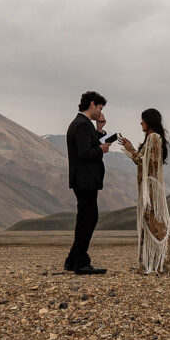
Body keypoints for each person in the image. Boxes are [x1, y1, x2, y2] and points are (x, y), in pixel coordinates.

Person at [119, 108, 170, 275]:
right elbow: (145, 161)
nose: (140, 123)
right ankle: (154, 262)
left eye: (143, 120)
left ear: (149, 121)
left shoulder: (153, 138)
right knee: (152, 223)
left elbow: (142, 162)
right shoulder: (155, 138)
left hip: (150, 188)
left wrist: (130, 149)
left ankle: (160, 262)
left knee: (154, 224)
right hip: (150, 186)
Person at [64, 91, 111, 275]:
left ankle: (72, 260)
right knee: (87, 219)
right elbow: (85, 153)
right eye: (100, 108)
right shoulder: (82, 125)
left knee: (87, 218)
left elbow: (89, 145)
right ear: (92, 104)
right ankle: (81, 263)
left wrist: (99, 129)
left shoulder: (84, 124)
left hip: (84, 180)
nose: (100, 112)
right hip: (85, 180)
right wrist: (102, 149)